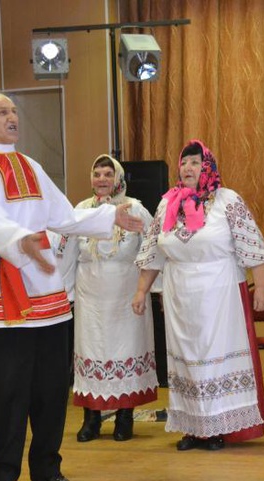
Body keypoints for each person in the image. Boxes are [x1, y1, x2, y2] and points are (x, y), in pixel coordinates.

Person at [0, 93, 147, 481]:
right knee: (7, 390)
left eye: (13, 111)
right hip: (1, 289)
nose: (12, 117)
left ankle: (46, 468)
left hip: (46, 291)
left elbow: (62, 215)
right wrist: (16, 239)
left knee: (50, 387)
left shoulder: (30, 166)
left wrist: (110, 214)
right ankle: (2, 476)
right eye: (2, 112)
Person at [132, 139, 264, 451]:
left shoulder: (227, 200)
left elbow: (253, 244)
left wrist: (261, 285)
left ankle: (219, 426)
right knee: (186, 361)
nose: (188, 168)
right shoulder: (167, 204)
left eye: (195, 163)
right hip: (180, 293)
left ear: (207, 166)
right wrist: (141, 290)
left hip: (219, 291)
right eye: (184, 163)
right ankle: (194, 427)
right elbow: (153, 252)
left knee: (214, 359)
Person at [54, 154, 158, 443]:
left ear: (119, 178)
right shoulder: (81, 210)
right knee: (92, 351)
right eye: (97, 173)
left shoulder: (134, 208)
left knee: (126, 349)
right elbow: (66, 253)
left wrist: (147, 288)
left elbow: (152, 245)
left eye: (107, 174)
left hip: (126, 294)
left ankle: (124, 418)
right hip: (90, 295)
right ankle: (92, 419)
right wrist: (65, 293)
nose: (101, 179)